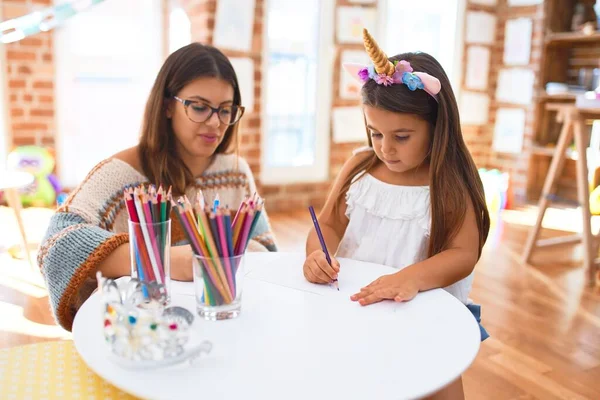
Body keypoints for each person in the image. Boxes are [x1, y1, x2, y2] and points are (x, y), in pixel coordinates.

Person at [303, 29, 490, 399]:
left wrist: (412, 278)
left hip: (423, 314)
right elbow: (327, 223)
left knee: (434, 384)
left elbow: (463, 254)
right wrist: (316, 253)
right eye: (375, 133)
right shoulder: (359, 166)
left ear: (437, 127)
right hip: (361, 306)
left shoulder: (448, 183)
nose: (385, 148)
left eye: (401, 136)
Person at [39, 43, 277, 331]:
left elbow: (266, 251)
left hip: (220, 328)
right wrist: (162, 260)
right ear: (166, 105)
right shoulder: (120, 175)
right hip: (143, 334)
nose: (215, 123)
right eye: (199, 107)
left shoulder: (236, 172)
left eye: (225, 110)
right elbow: (55, 246)